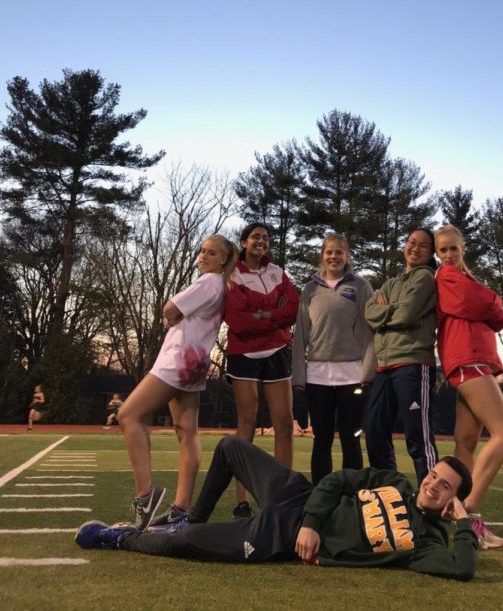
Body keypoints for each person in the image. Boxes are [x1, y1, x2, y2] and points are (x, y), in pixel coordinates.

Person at [75, 435, 478, 581]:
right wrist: (314, 522)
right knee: (231, 447)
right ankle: (190, 512)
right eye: (434, 475)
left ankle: (122, 539)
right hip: (297, 499)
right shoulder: (397, 482)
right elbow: (337, 480)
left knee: (188, 541)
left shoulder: (423, 543)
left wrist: (462, 522)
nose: (432, 483)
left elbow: (460, 567)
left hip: (280, 537)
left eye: (445, 486)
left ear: (451, 502)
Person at [117, 235, 238, 530]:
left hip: (178, 361)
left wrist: (170, 316)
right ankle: (181, 509)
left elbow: (169, 310)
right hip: (195, 363)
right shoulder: (219, 286)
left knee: (128, 415)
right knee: (186, 431)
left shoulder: (209, 282)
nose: (204, 256)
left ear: (223, 260)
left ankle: (146, 496)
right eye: (202, 251)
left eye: (211, 253)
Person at [434, 225, 503, 551]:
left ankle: (462, 520)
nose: (449, 255)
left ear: (462, 248)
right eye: (443, 250)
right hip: (468, 361)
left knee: (466, 443)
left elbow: (495, 314)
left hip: (472, 361)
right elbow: (482, 303)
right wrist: (493, 300)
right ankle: (467, 513)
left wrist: (490, 304)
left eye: (453, 249)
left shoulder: (463, 278)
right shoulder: (446, 277)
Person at [225, 223, 300, 519]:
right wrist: (273, 315)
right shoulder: (231, 275)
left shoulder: (277, 273)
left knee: (284, 423)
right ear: (243, 242)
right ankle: (242, 502)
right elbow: (238, 321)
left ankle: (282, 499)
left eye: (266, 238)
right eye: (256, 237)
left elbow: (293, 309)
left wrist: (261, 314)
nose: (262, 241)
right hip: (244, 353)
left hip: (278, 351)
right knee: (247, 423)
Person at [292, 233, 375, 484]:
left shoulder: (361, 287)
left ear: (347, 255)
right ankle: (321, 494)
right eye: (329, 252)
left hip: (352, 376)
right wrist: (298, 377)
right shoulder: (310, 288)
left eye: (339, 252)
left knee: (351, 439)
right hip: (317, 377)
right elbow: (301, 335)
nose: (334, 256)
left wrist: (368, 372)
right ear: (323, 255)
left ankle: (354, 496)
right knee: (322, 441)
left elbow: (370, 332)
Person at [363, 228, 438, 485]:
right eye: (412, 243)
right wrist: (393, 313)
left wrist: (386, 313)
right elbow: (369, 311)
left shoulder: (426, 278)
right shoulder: (391, 283)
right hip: (384, 366)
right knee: (374, 430)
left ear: (431, 254)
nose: (415, 249)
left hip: (414, 364)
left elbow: (406, 314)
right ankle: (390, 493)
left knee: (418, 436)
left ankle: (432, 505)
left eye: (423, 246)